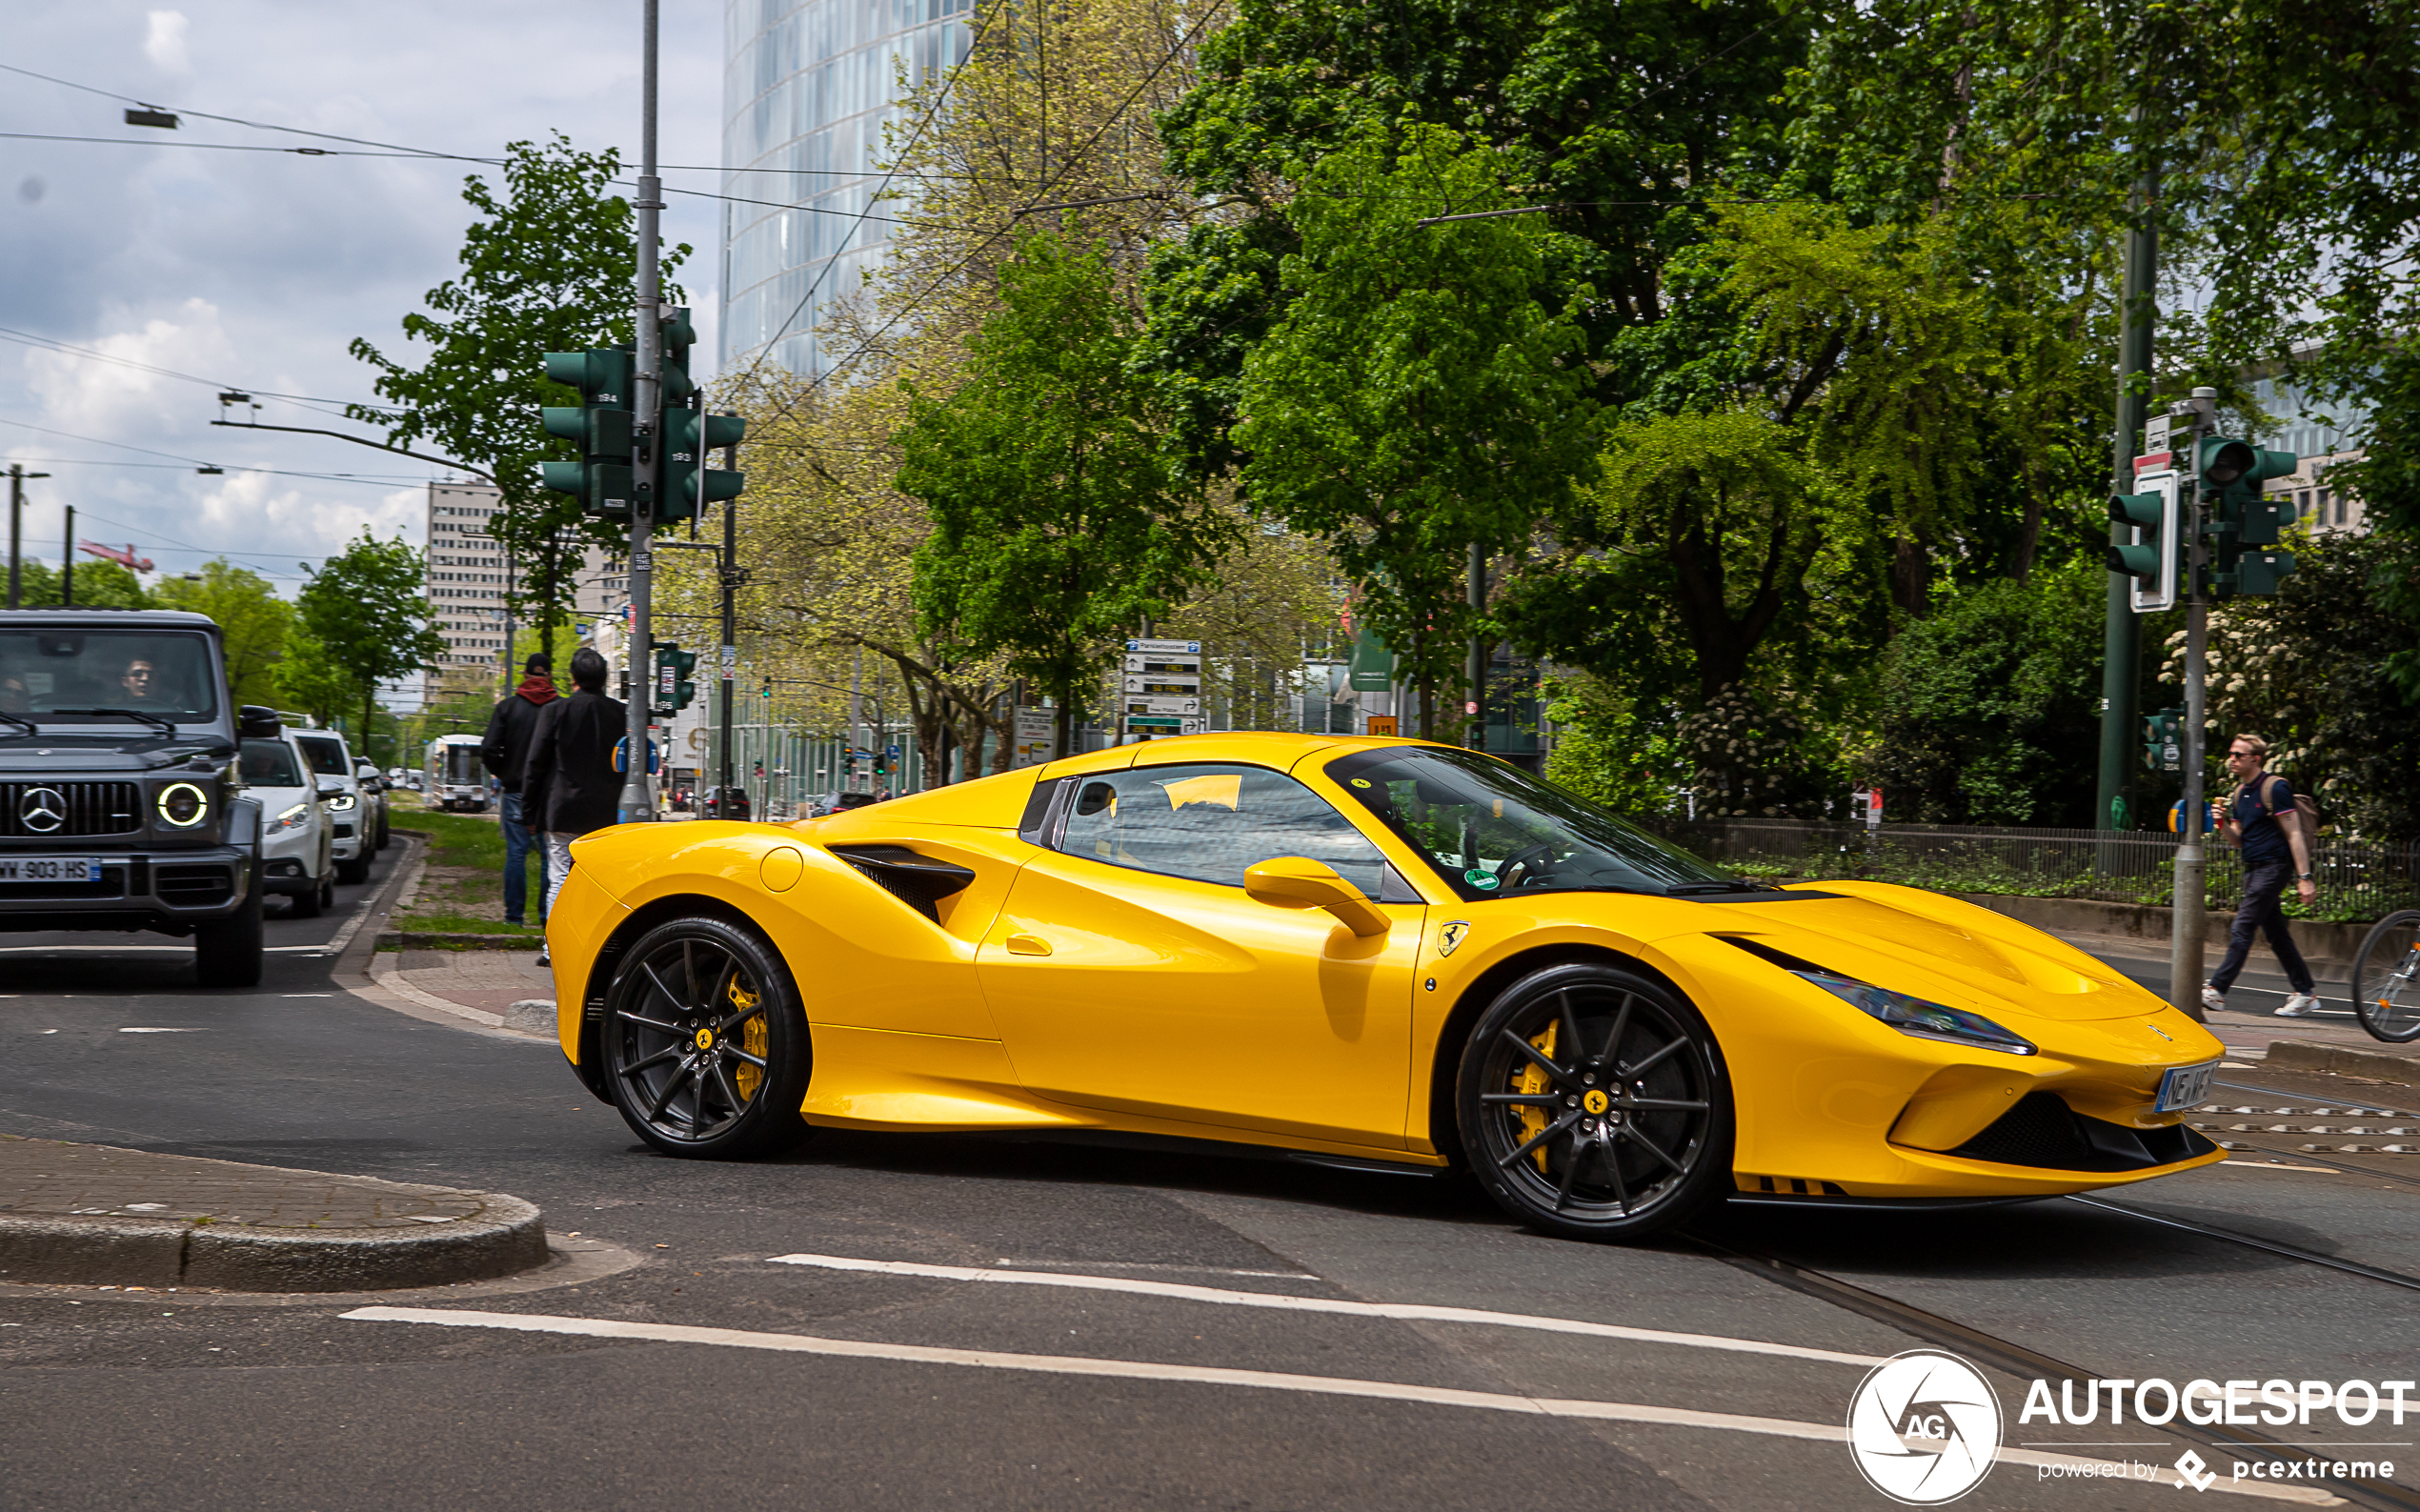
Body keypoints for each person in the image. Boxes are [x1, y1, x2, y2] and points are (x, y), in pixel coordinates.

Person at [519, 646, 627, 965]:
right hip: (606, 814)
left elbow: (535, 763)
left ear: (572, 677)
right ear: (604, 679)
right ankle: (593, 950)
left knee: (559, 880)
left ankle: (553, 950)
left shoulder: (555, 712)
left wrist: (528, 812)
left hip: (562, 810)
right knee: (599, 885)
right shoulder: (621, 715)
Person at [2203, 734, 2323, 1018]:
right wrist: (2220, 823)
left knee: (2243, 927)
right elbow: (2239, 840)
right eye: (2231, 754)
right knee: (2277, 934)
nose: (2231, 759)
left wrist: (2305, 877)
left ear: (2255, 759)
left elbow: (2294, 833)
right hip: (2253, 868)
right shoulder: (2237, 793)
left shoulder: (2275, 787)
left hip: (2274, 866)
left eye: (2238, 755)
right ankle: (2305, 992)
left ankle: (2218, 990)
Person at [480, 655, 559, 926]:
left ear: (524, 675)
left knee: (516, 853)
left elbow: (488, 748)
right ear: (549, 676)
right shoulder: (561, 708)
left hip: (516, 790)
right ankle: (546, 916)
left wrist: (505, 772)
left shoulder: (508, 707)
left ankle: (514, 917)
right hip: (550, 794)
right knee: (551, 857)